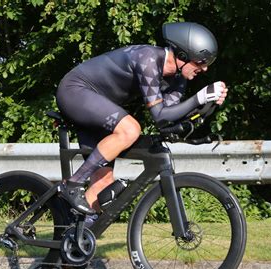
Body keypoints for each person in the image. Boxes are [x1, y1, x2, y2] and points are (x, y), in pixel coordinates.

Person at [56, 22, 228, 219]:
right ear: (182, 56)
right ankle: (72, 184)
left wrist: (206, 106)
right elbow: (159, 114)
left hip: (99, 106)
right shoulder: (147, 59)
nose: (204, 69)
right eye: (200, 62)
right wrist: (198, 98)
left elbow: (168, 119)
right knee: (130, 129)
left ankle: (74, 240)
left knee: (103, 182)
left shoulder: (178, 78)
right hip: (75, 91)